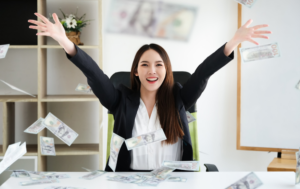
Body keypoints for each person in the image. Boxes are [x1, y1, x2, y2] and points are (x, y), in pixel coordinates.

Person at [28, 12, 271, 172]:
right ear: (135, 71)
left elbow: (202, 73)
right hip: (129, 181)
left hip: (176, 182)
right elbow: (96, 76)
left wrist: (233, 43)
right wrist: (65, 42)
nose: (151, 71)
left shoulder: (180, 97)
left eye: (158, 64)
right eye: (144, 65)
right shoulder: (119, 99)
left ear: (167, 70)